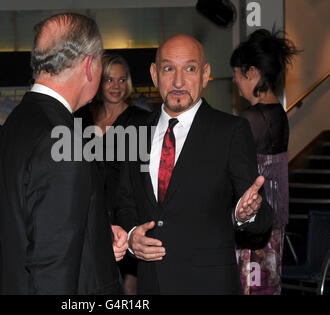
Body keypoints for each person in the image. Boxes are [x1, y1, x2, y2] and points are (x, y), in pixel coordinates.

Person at [114, 34, 273, 294]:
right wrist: (132, 237)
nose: (178, 81)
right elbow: (125, 202)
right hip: (152, 283)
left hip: (208, 285)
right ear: (155, 74)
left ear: (205, 73)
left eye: (190, 68)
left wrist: (247, 213)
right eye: (168, 69)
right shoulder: (135, 130)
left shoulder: (230, 131)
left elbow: (261, 213)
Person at [0, 13, 127, 295]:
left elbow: (29, 225)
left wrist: (97, 237)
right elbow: (51, 263)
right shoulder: (62, 139)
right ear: (90, 65)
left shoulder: (16, 123)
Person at [231, 29, 299, 295]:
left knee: (250, 286)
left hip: (254, 219)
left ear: (251, 72)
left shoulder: (251, 118)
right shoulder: (279, 114)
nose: (235, 80)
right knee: (268, 286)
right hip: (274, 222)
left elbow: (240, 173)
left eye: (237, 72)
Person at [75, 53, 142, 295]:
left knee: (129, 284)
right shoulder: (82, 118)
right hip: (92, 209)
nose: (116, 86)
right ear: (99, 82)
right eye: (110, 80)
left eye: (122, 80)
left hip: (127, 209)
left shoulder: (142, 120)